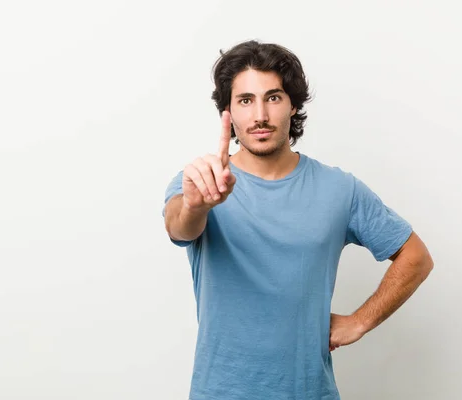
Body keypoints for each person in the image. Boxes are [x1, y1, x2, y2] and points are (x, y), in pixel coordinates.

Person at [161, 40, 434, 400]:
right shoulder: (200, 182)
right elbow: (179, 226)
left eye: (273, 97)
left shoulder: (340, 189)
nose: (259, 114)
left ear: (292, 105)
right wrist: (197, 205)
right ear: (228, 111)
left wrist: (360, 321)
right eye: (245, 100)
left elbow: (416, 257)